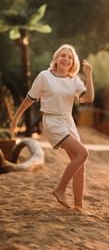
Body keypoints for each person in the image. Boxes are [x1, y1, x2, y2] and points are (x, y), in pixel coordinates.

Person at [10, 44, 94, 211]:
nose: (66, 59)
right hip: (52, 121)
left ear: (73, 62)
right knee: (83, 153)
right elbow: (29, 99)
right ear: (56, 59)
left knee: (80, 162)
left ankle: (78, 206)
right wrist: (16, 118)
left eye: (70, 57)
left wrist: (89, 75)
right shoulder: (44, 76)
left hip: (68, 121)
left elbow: (89, 98)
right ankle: (60, 189)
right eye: (63, 55)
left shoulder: (74, 79)